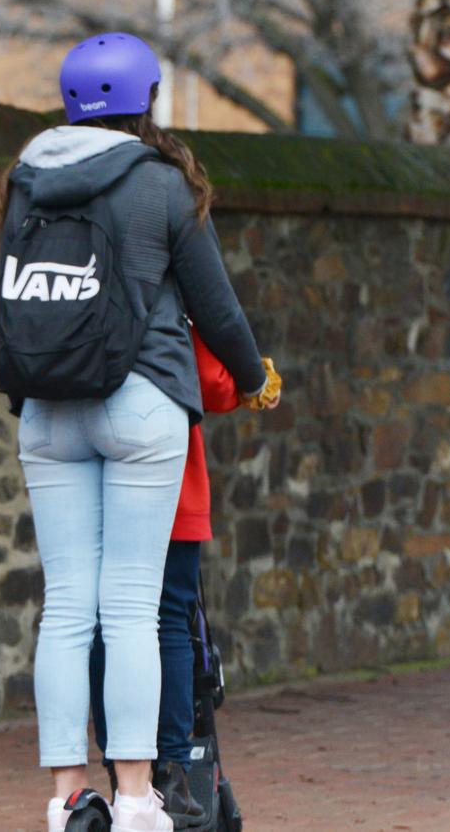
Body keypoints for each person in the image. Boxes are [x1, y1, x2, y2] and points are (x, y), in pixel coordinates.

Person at [0, 32, 280, 832]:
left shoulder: (27, 178)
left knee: (66, 611)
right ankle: (133, 795)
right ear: (145, 100)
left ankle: (64, 798)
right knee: (129, 606)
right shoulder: (157, 183)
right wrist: (255, 379)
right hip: (140, 401)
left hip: (47, 407)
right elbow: (216, 306)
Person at [90, 330, 276, 829]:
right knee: (169, 620)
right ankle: (173, 773)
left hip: (97, 479)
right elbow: (216, 383)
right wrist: (256, 375)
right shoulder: (165, 288)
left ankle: (121, 767)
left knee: (108, 623)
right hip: (173, 486)